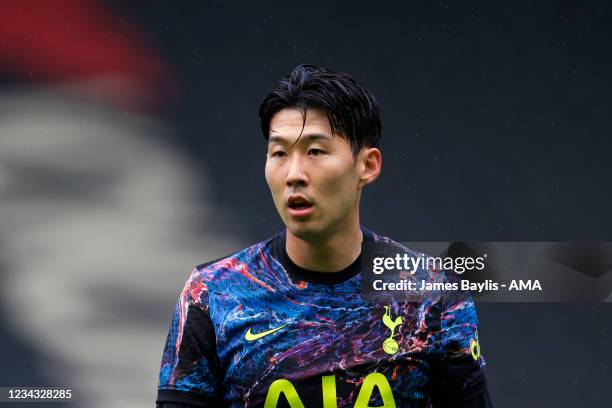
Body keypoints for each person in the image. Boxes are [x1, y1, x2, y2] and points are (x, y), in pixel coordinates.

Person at [156, 64, 492, 407]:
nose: (294, 174)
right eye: (279, 153)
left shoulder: (433, 296)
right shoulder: (212, 294)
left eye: (315, 151)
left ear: (368, 165)